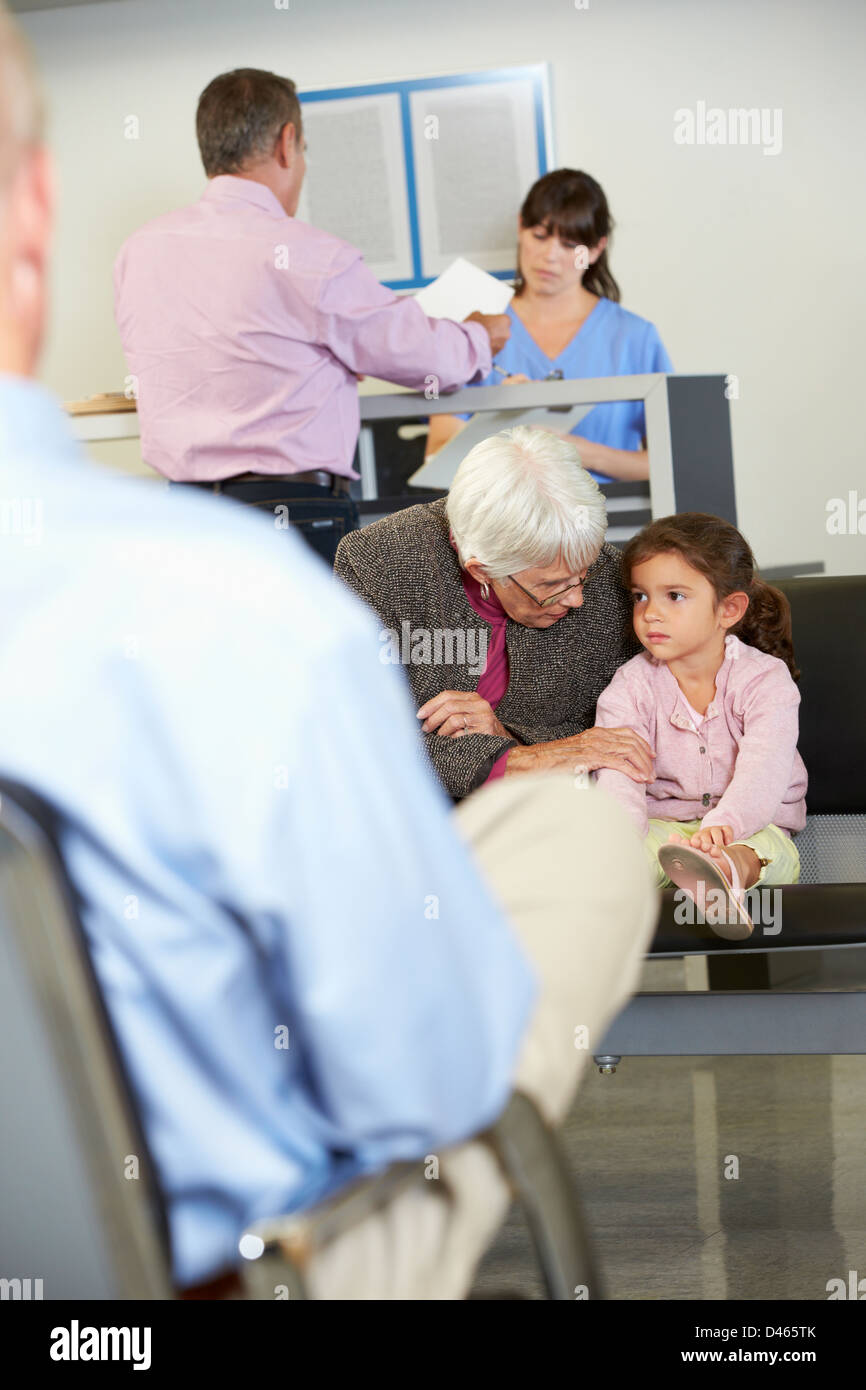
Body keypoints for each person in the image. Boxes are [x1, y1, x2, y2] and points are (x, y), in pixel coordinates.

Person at [0, 5, 656, 1299]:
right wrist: (469, 339)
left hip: (184, 500)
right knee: (560, 851)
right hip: (207, 1276)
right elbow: (412, 352)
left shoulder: (143, 257)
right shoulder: (265, 624)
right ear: (35, 213)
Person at [113, 67, 509, 564]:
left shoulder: (140, 252)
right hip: (291, 514)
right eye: (303, 150)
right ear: (287, 142)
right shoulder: (309, 255)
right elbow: (420, 354)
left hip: (183, 514)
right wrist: (479, 337)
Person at [335, 425, 657, 801]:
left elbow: (620, 731)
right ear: (481, 571)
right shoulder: (380, 561)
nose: (577, 599)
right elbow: (359, 732)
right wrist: (523, 761)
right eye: (552, 585)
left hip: (553, 807)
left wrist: (508, 739)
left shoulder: (610, 581)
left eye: (583, 574)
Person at [594, 513, 807, 940]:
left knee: (767, 854)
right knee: (628, 856)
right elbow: (619, 778)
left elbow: (763, 771)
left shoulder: (765, 680)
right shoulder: (629, 687)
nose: (650, 613)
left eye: (674, 595)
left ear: (728, 609)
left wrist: (723, 829)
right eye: (640, 597)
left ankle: (725, 872)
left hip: (751, 825)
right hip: (665, 827)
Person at [424, 169, 673, 483]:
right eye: (539, 236)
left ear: (596, 249)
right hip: (499, 526)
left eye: (570, 245)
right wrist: (497, 421)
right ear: (520, 227)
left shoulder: (634, 339)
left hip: (610, 523)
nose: (549, 256)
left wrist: (579, 452)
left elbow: (672, 460)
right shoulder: (474, 331)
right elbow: (437, 457)